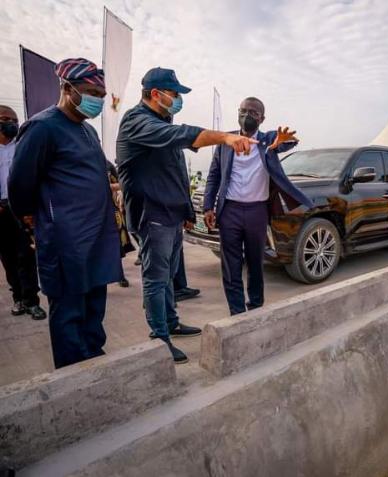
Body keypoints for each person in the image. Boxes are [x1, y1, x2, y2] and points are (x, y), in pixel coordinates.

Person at [117, 67, 255, 364]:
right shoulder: (137, 122)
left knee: (168, 274)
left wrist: (186, 210)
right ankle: (159, 338)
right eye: (174, 94)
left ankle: (171, 322)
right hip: (150, 214)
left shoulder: (161, 120)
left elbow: (176, 173)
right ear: (156, 94)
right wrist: (226, 138)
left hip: (170, 214)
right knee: (155, 277)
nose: (178, 99)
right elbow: (182, 136)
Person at [8, 58, 122, 368]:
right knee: (69, 314)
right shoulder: (42, 128)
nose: (97, 100)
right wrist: (33, 221)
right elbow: (19, 185)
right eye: (90, 92)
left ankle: (95, 367)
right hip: (65, 242)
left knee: (93, 311)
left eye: (100, 95)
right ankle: (75, 379)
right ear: (67, 88)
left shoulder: (87, 132)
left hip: (97, 238)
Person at [203, 97, 314, 315]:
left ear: (262, 118)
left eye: (253, 113)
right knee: (231, 265)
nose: (247, 116)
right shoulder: (226, 141)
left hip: (257, 212)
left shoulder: (267, 139)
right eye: (243, 111)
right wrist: (209, 206)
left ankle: (255, 306)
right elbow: (213, 176)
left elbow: (288, 142)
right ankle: (236, 311)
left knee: (255, 262)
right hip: (230, 212)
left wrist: (283, 141)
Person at [0, 105, 46, 320]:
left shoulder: (22, 146)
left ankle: (32, 301)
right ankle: (18, 297)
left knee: (26, 256)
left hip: (21, 209)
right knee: (7, 258)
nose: (10, 123)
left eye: (13, 119)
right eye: (5, 119)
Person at [106, 160, 135, 287]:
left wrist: (110, 187)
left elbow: (121, 183)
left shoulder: (106, 165)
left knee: (116, 243)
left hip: (110, 209)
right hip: (87, 211)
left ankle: (119, 274)